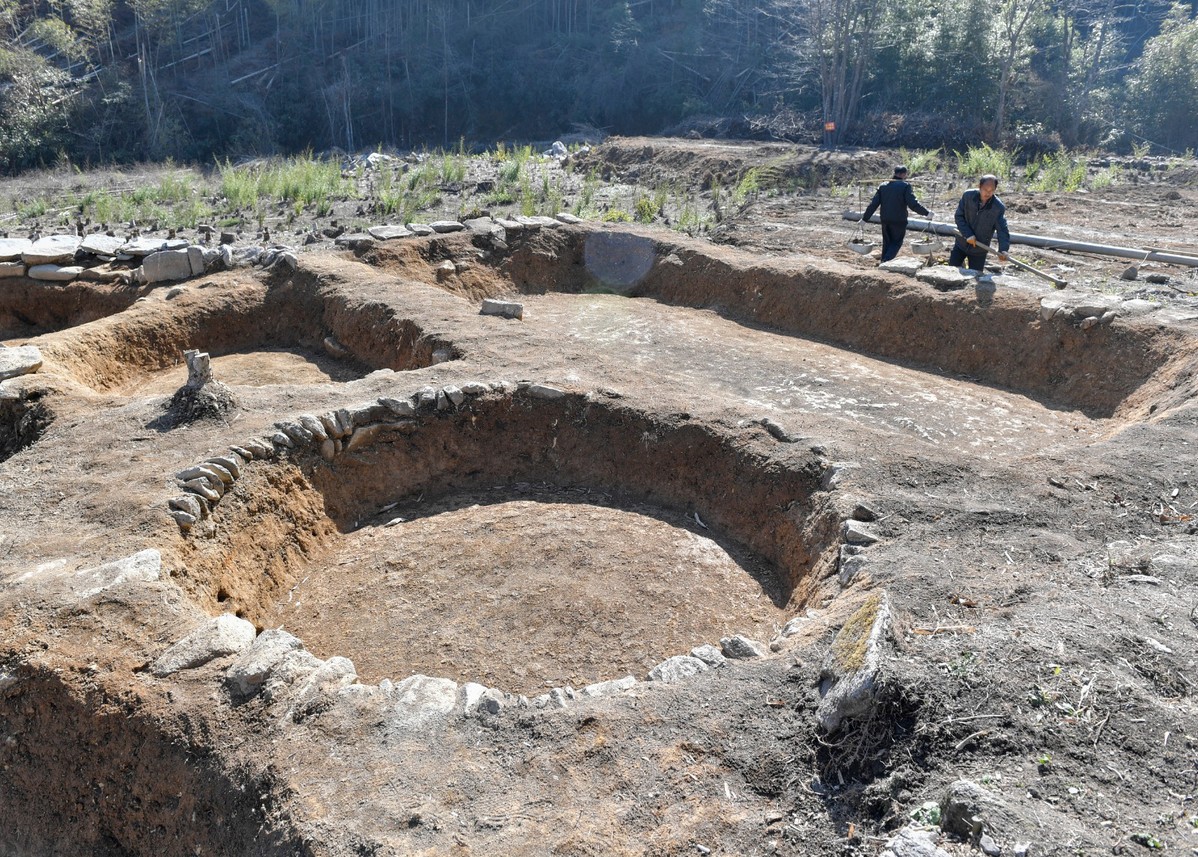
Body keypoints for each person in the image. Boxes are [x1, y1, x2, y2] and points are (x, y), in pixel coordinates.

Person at [860, 165, 930, 262]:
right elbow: (913, 204)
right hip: (899, 220)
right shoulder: (905, 186)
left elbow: (873, 204)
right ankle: (886, 260)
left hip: (885, 219)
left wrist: (864, 219)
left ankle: (883, 261)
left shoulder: (883, 186)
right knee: (896, 242)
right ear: (903, 174)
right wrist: (926, 213)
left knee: (887, 242)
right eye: (905, 174)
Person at [950, 174, 1010, 271]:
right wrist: (968, 234)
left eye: (991, 190)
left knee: (976, 277)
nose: (988, 193)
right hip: (961, 243)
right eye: (985, 190)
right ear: (979, 186)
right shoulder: (968, 196)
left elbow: (1002, 230)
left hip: (979, 249)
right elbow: (959, 216)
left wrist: (1003, 250)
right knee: (951, 271)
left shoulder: (998, 207)